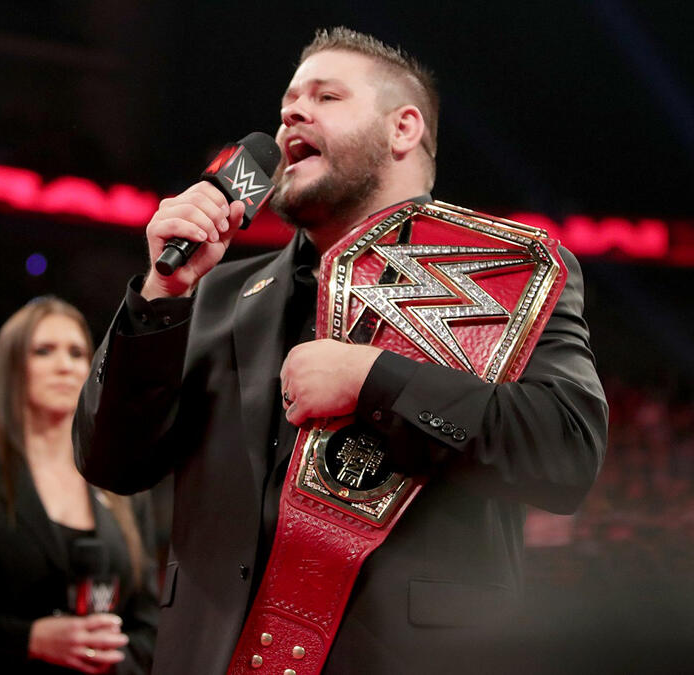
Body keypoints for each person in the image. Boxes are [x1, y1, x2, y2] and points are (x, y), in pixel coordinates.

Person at [74, 27, 608, 674]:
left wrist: (377, 381)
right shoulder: (216, 295)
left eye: (326, 96)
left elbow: (566, 455)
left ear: (403, 128)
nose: (291, 113)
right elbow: (109, 460)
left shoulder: (504, 275)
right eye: (287, 103)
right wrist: (162, 290)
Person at [0, 298, 159, 674]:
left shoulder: (123, 487)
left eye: (77, 353)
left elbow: (148, 627)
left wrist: (108, 660)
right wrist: (30, 640)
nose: (65, 366)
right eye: (44, 351)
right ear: (12, 369)